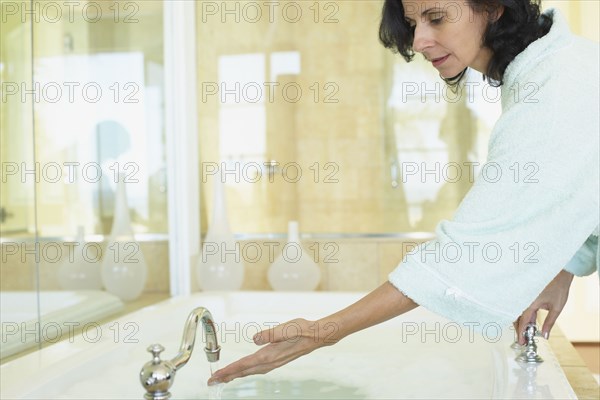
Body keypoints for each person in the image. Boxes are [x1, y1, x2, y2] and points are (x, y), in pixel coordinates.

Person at [208, 0, 599, 385]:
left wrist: (326, 331)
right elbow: (585, 183)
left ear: (494, 8)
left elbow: (464, 251)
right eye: (413, 23)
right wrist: (566, 267)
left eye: (436, 18)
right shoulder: (560, 65)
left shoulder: (553, 92)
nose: (418, 40)